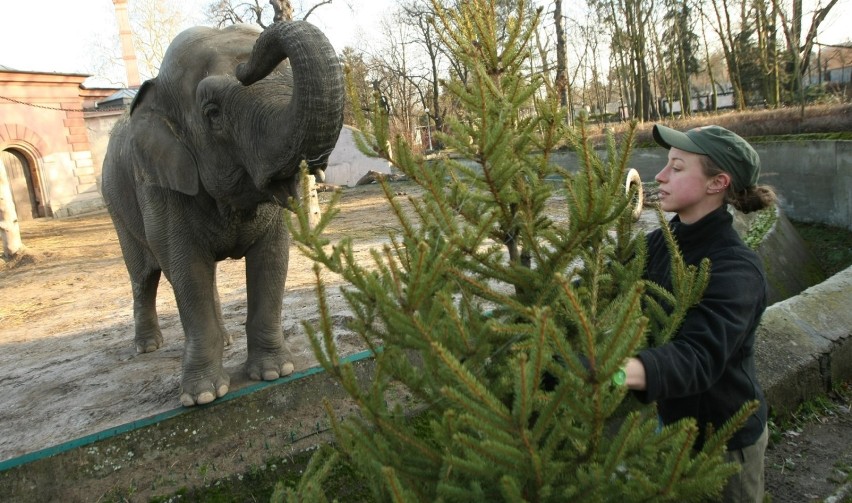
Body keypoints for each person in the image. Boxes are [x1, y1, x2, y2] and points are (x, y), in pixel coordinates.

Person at [623, 124, 777, 502]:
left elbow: (697, 357)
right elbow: (610, 286)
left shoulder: (737, 270)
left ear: (717, 183)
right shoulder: (661, 242)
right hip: (671, 426)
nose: (659, 176)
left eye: (676, 167)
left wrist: (607, 371)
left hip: (723, 446)